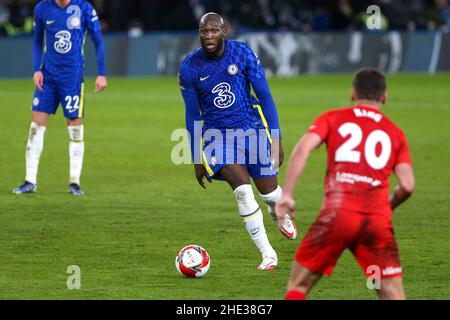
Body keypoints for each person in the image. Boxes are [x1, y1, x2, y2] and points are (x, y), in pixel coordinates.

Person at [276, 68, 415, 299]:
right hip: (376, 224)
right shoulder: (395, 133)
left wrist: (288, 193)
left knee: (298, 287)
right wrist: (387, 207)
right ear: (384, 97)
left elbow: (303, 148)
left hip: (337, 216)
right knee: (390, 294)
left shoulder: (332, 118)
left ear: (353, 94)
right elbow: (408, 185)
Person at [178, 12, 297, 270]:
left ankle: (277, 209)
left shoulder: (242, 53)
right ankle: (268, 254)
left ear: (224, 32)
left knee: (269, 193)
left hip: (251, 129)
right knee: (243, 192)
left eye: (213, 31)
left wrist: (275, 139)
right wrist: (196, 158)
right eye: (203, 31)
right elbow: (192, 115)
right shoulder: (189, 66)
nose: (208, 36)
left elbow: (265, 97)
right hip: (217, 138)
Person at [13, 0, 107, 195]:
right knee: (35, 128)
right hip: (47, 76)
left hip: (72, 77)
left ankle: (74, 182)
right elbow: (37, 40)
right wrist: (36, 70)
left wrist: (101, 73)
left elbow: (98, 40)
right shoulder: (42, 8)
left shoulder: (84, 8)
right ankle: (30, 181)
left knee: (75, 129)